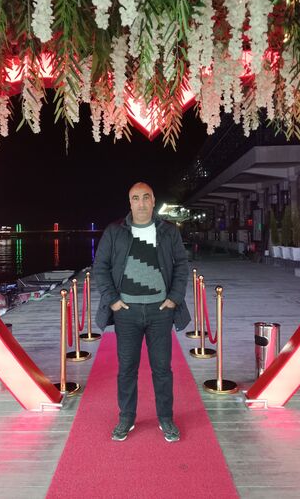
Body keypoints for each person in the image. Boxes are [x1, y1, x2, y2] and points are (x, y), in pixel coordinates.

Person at [93, 182, 190, 442]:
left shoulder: (168, 231)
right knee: (127, 369)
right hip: (127, 313)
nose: (142, 203)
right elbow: (100, 267)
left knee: (162, 369)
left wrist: (174, 298)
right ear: (130, 202)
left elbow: (181, 265)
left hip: (161, 312)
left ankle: (166, 418)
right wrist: (113, 300)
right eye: (136, 198)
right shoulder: (114, 232)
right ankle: (126, 417)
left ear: (153, 201)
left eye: (146, 197)